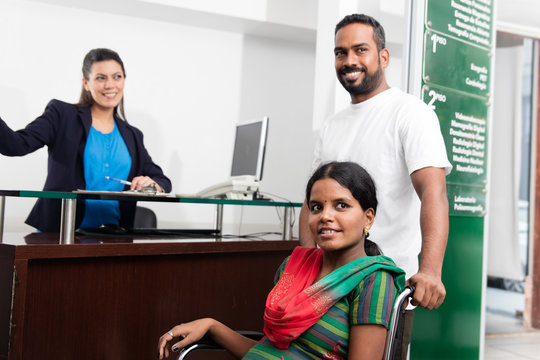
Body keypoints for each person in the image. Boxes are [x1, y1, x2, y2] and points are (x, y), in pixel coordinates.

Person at [298, 14, 452, 358]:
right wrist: (303, 267)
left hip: (383, 289)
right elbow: (310, 204)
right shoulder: (331, 126)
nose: (349, 60)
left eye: (360, 50)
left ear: (383, 56)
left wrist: (429, 270)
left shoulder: (411, 113)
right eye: (340, 52)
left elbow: (434, 193)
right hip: (327, 289)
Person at [158, 161, 406, 360]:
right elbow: (269, 351)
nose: (325, 216)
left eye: (341, 205)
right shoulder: (292, 267)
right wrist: (212, 325)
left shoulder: (374, 280)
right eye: (317, 207)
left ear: (368, 218)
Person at [0, 48, 171, 232]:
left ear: (124, 80)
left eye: (117, 76)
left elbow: (163, 181)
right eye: (100, 77)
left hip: (113, 238)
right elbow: (15, 145)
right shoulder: (62, 115)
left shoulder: (133, 135)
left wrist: (153, 184)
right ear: (86, 83)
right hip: (60, 235)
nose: (110, 85)